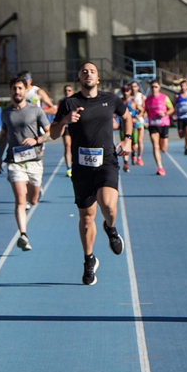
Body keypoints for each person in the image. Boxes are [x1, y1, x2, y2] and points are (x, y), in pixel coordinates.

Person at [49, 61, 125, 286]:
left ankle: (110, 228)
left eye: (92, 71)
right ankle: (89, 259)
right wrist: (65, 121)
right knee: (86, 218)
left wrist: (128, 140)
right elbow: (53, 134)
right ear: (79, 79)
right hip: (82, 167)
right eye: (84, 71)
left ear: (98, 78)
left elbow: (127, 117)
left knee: (108, 204)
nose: (88, 74)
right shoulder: (68, 103)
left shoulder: (110, 100)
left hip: (107, 162)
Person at [0, 77, 48, 250]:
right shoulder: (5, 112)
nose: (17, 92)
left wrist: (36, 140)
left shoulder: (36, 111)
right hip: (14, 160)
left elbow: (50, 132)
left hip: (34, 160)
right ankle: (23, 235)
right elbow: (3, 136)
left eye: (19, 88)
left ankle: (34, 195)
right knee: (20, 200)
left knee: (32, 200)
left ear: (25, 90)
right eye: (14, 89)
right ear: (10, 91)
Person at [143, 80, 171, 176]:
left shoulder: (164, 98)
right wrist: (145, 114)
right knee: (155, 146)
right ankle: (160, 167)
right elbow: (145, 110)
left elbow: (171, 108)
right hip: (153, 125)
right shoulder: (147, 100)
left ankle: (162, 149)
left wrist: (165, 113)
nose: (154, 88)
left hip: (164, 124)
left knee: (163, 148)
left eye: (156, 86)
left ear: (159, 87)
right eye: (152, 87)